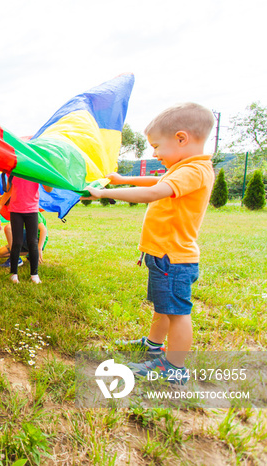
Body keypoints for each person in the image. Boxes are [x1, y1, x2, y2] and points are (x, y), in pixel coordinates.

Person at [84, 102, 216, 385]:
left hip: (174, 257)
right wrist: (121, 179)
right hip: (163, 255)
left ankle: (174, 366)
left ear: (181, 138)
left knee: (177, 313)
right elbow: (152, 180)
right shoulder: (183, 167)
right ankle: (154, 345)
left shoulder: (194, 171)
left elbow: (154, 191)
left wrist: (105, 193)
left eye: (157, 146)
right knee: (162, 306)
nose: (154, 153)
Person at [0, 177, 52, 284]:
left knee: (33, 242)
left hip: (31, 210)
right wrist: (0, 204)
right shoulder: (14, 172)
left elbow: (48, 189)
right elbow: (9, 191)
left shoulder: (35, 171)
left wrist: (48, 177)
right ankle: (13, 274)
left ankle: (34, 274)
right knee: (16, 242)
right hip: (16, 211)